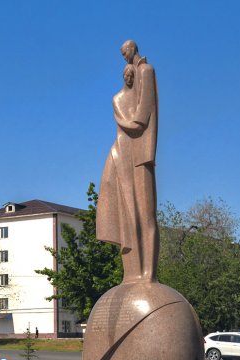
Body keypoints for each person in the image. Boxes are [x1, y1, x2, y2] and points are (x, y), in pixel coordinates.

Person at [96, 40, 159, 283]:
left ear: (133, 49)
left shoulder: (147, 71)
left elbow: (141, 119)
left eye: (126, 53)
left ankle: (148, 275)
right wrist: (128, 122)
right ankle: (132, 273)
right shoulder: (118, 99)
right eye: (122, 57)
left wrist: (127, 122)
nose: (125, 59)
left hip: (141, 153)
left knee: (146, 214)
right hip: (123, 152)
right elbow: (131, 122)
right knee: (127, 211)